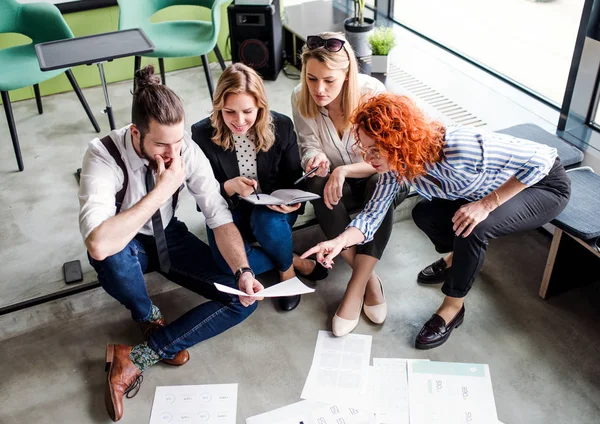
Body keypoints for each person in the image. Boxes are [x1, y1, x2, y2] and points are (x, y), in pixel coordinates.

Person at [303, 92, 571, 349]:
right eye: (365, 148)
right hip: (482, 192)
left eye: (374, 150)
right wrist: (339, 241)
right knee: (424, 214)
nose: (367, 158)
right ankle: (457, 259)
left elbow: (544, 159)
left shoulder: (460, 146)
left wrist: (486, 205)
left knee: (474, 228)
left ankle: (453, 307)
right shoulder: (398, 168)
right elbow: (372, 216)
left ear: (399, 141)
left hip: (542, 186)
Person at [78, 66, 264, 422]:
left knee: (243, 301)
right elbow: (99, 243)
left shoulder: (184, 149)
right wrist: (163, 189)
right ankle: (148, 316)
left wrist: (242, 270)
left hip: (169, 235)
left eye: (177, 143)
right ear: (136, 133)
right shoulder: (102, 155)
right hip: (124, 243)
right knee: (112, 257)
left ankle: (137, 356)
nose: (173, 153)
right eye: (162, 144)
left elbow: (218, 215)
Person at [291, 32, 409, 336]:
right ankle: (368, 277)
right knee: (316, 184)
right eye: (312, 78)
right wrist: (316, 160)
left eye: (329, 80)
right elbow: (308, 144)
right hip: (335, 176)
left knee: (378, 184)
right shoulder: (299, 96)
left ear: (347, 74)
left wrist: (342, 172)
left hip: (381, 172)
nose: (319, 89)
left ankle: (355, 287)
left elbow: (390, 157)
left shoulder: (372, 93)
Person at [192, 63, 328, 312]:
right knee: (226, 264)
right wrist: (230, 187)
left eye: (247, 111)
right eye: (229, 112)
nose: (240, 121)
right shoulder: (201, 134)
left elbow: (291, 178)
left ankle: (286, 274)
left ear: (260, 106)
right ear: (218, 107)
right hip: (229, 210)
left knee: (268, 222)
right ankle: (293, 260)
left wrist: (290, 201)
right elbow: (203, 198)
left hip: (272, 210)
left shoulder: (282, 126)